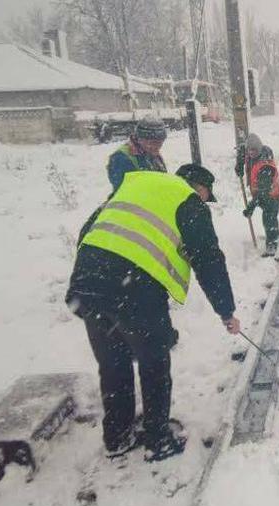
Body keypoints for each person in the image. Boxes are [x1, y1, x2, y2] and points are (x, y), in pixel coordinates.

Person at [66, 164, 240, 462]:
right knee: (153, 361)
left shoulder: (136, 183)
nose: (204, 199)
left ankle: (117, 437)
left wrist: (98, 270)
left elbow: (89, 228)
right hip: (135, 288)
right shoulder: (188, 200)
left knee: (113, 362)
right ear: (198, 186)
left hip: (87, 283)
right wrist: (226, 310)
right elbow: (209, 259)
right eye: (206, 194)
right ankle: (157, 439)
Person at [236, 133, 279, 257]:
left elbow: (263, 193)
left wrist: (251, 207)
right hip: (260, 191)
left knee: (269, 217)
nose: (251, 153)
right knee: (269, 216)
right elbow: (241, 152)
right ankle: (275, 234)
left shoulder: (265, 165)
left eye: (254, 150)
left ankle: (272, 244)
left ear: (260, 148)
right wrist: (239, 165)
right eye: (249, 150)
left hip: (272, 193)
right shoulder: (248, 152)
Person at [106, 116, 168, 191]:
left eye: (160, 143)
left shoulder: (151, 152)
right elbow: (124, 191)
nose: (157, 147)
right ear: (140, 139)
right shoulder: (121, 158)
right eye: (152, 143)